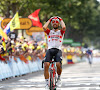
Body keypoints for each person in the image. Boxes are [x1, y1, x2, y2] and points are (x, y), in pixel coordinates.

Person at [43, 16, 66, 89]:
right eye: (53, 23)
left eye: (56, 23)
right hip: (50, 50)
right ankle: (47, 83)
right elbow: (44, 27)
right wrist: (50, 19)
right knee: (46, 65)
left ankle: (59, 78)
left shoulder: (61, 32)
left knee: (58, 64)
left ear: (59, 24)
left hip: (58, 50)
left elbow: (64, 27)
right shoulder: (49, 32)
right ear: (51, 24)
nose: (55, 24)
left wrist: (60, 19)